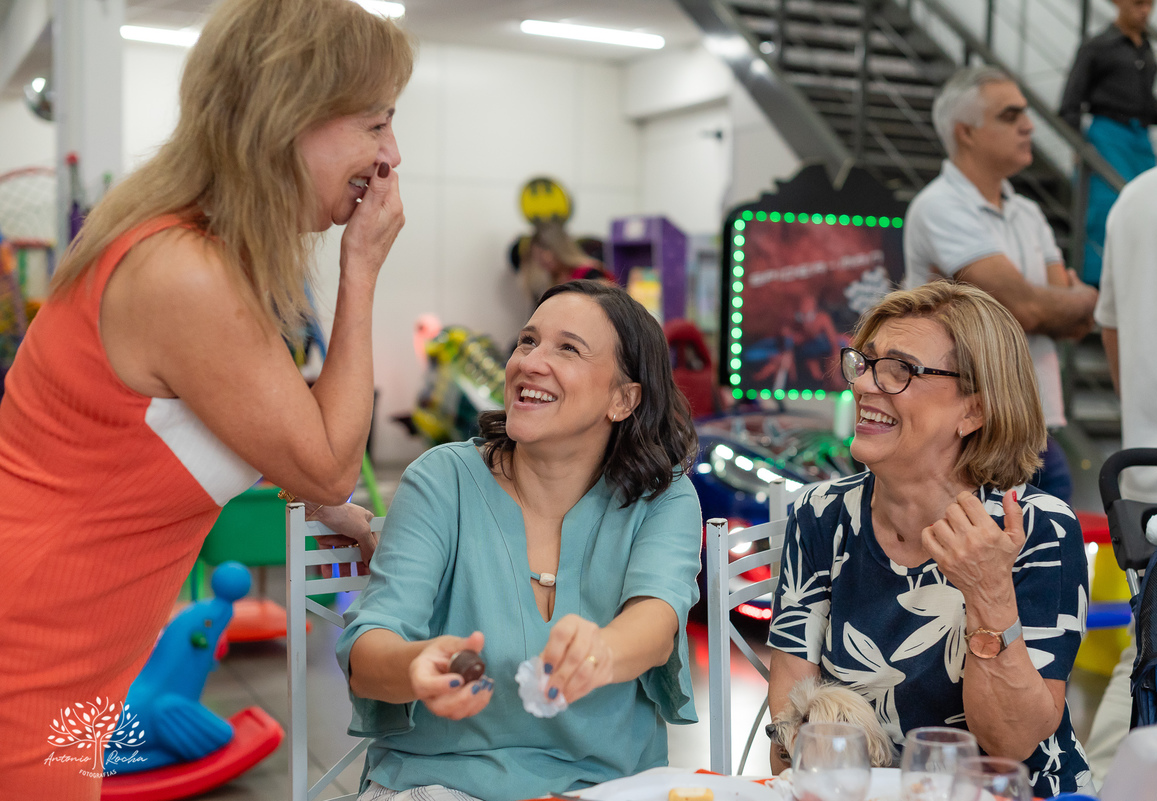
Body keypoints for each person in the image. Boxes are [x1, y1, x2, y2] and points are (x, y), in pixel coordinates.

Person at [0, 1, 412, 796]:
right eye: (374, 123)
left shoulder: (191, 245)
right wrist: (361, 270)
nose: (390, 154)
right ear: (288, 117)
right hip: (32, 655)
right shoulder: (185, 271)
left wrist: (333, 510)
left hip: (80, 656)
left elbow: (230, 426)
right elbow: (328, 462)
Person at [336, 280, 702, 801]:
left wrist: (600, 650)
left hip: (607, 787)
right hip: (440, 783)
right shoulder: (442, 480)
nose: (529, 362)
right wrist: (414, 668)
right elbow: (370, 647)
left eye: (567, 348)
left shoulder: (662, 498)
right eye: (527, 341)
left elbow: (655, 625)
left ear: (623, 398)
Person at [767, 282, 1093, 797]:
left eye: (901, 369)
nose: (867, 386)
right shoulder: (822, 514)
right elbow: (789, 736)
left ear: (975, 411)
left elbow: (1012, 742)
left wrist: (988, 592)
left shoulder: (1036, 530)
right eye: (867, 362)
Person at [904, 65, 1099, 505]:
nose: (1029, 126)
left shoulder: (1027, 211)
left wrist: (1062, 306)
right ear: (966, 132)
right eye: (1010, 116)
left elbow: (1073, 323)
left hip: (1037, 427)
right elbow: (1029, 310)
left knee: (1049, 567)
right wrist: (1079, 297)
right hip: (971, 433)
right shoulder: (940, 207)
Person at [1084, 148, 1157, 786]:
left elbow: (1112, 330)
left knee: (1154, 652)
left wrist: (1156, 426)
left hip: (1153, 473)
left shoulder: (1138, 198)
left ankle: (1106, 784)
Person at [1059, 0, 1157, 286]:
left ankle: (1136, 281)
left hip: (1140, 137)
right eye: (1138, 3)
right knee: (1106, 209)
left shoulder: (1147, 46)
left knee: (1147, 207)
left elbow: (1146, 102)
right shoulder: (1097, 45)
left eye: (1150, 4)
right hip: (1107, 134)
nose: (1145, 11)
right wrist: (1078, 144)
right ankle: (1095, 284)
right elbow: (1070, 101)